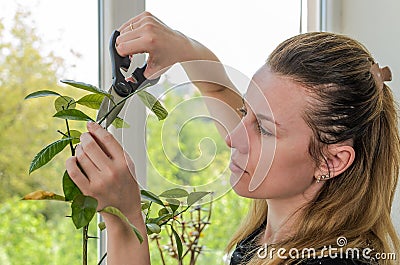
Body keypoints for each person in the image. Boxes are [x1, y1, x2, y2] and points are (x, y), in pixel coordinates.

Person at [66, 12, 400, 265]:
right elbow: (216, 88)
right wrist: (183, 47)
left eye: (264, 129)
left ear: (332, 160)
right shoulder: (279, 232)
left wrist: (123, 219)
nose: (232, 138)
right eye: (245, 112)